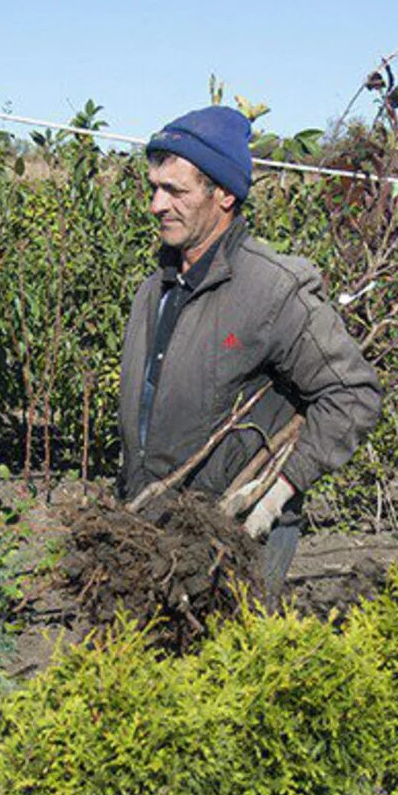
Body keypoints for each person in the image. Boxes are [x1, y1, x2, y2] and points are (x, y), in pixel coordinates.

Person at [116, 104, 382, 595]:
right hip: (150, 536)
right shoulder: (152, 291)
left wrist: (279, 491)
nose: (156, 204)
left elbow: (353, 395)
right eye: (154, 188)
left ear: (224, 195)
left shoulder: (272, 290)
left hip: (230, 543)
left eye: (174, 190)